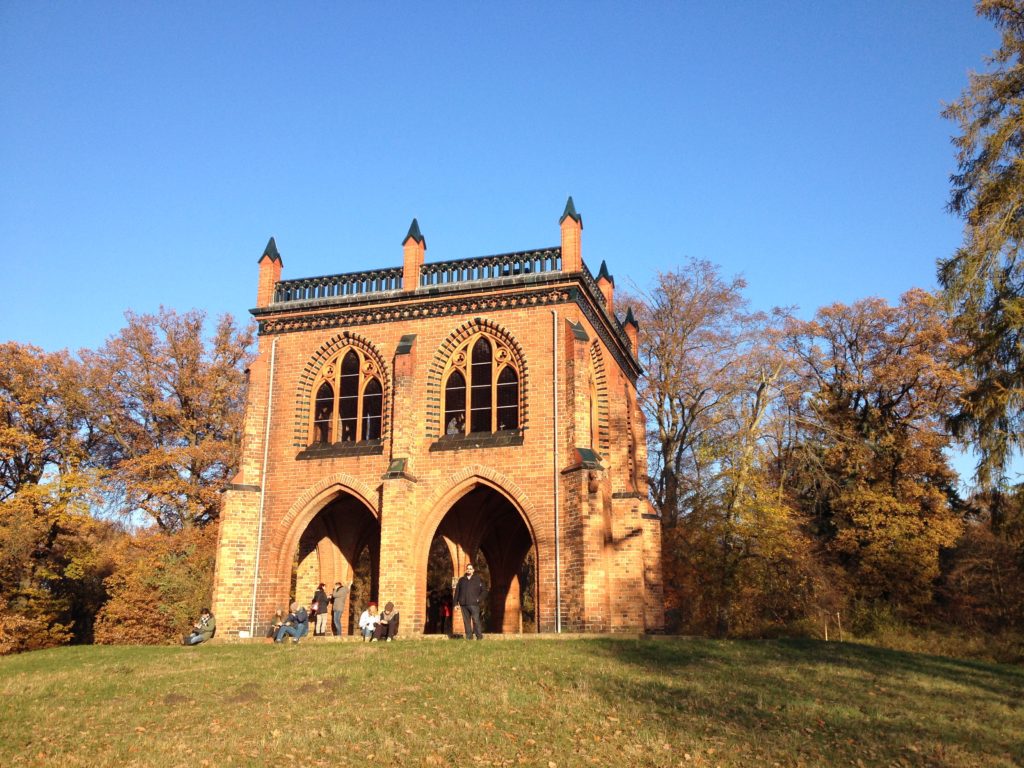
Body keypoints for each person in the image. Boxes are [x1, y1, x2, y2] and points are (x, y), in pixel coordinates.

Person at [453, 563, 485, 640]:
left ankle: (479, 637)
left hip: (474, 604)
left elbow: (484, 591)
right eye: (468, 568)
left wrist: (479, 599)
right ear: (466, 570)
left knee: (476, 620)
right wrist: (455, 604)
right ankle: (469, 637)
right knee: (466, 622)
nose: (469, 570)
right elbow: (457, 592)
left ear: (473, 570)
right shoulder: (461, 580)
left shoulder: (478, 579)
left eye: (470, 568)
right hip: (463, 604)